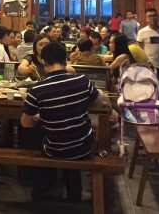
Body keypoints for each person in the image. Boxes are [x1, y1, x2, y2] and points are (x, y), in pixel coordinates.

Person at [20, 42, 105, 203]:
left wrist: (39, 117)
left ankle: (42, 191)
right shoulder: (82, 80)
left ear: (43, 61)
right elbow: (99, 103)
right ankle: (74, 194)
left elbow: (25, 123)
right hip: (85, 147)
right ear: (66, 59)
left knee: (44, 138)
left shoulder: (37, 89)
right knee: (72, 139)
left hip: (55, 150)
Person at [137, 8, 159, 104]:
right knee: (149, 90)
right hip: (148, 66)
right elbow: (139, 49)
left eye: (154, 15)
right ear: (146, 18)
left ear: (158, 17)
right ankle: (149, 109)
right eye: (150, 16)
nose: (152, 18)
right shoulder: (142, 32)